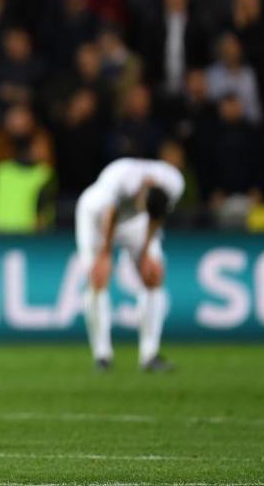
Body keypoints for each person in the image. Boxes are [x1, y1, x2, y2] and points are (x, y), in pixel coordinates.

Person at [76, 158, 185, 372]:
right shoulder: (119, 175)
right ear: (142, 192)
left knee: (153, 275)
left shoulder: (174, 182)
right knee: (98, 278)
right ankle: (102, 355)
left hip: (136, 221)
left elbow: (156, 216)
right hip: (96, 216)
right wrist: (104, 254)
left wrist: (145, 252)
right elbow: (111, 212)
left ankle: (150, 355)